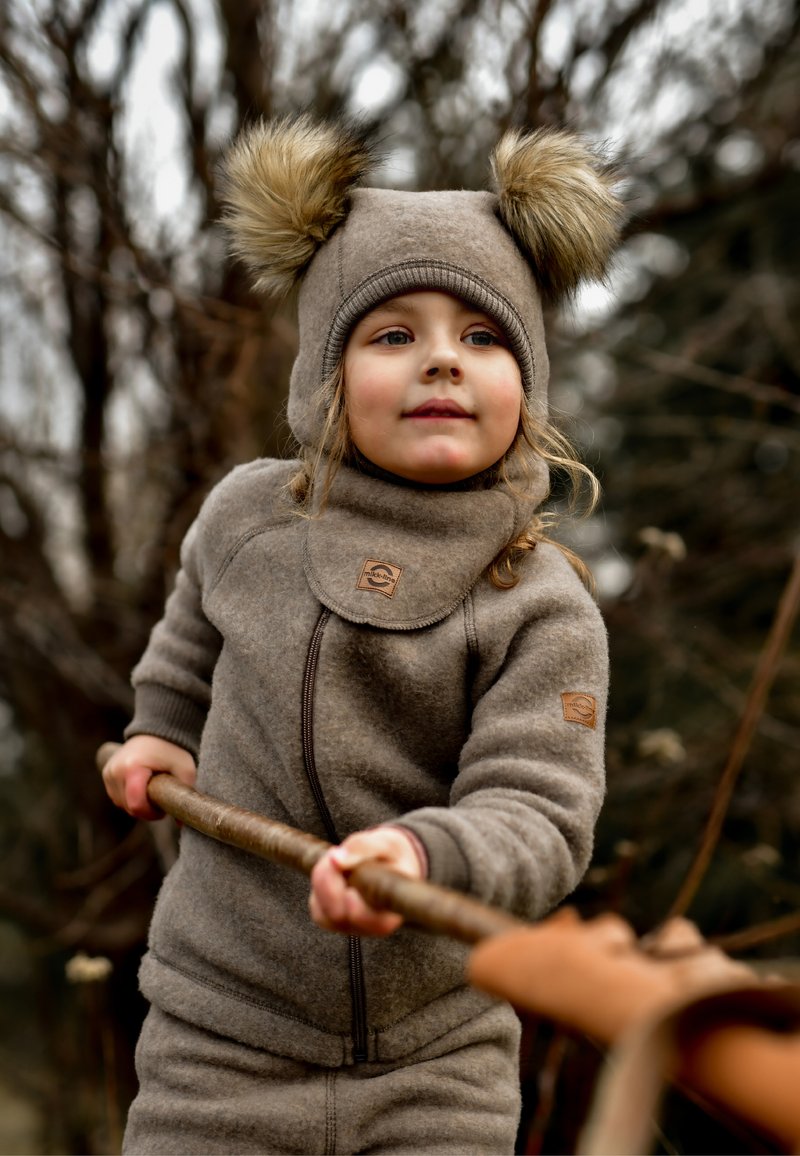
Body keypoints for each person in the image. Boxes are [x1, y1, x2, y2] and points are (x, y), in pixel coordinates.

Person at [102, 113, 623, 1155]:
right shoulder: (248, 520)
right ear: (324, 378)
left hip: (437, 1057)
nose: (441, 362)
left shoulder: (538, 601)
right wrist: (161, 728)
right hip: (219, 1037)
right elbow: (189, 640)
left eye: (481, 338)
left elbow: (540, 808)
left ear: (527, 382)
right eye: (393, 335)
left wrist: (424, 855)